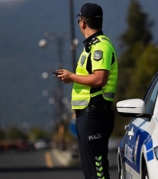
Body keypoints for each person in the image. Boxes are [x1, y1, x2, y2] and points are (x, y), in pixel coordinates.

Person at [55, 3, 118, 179]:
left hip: (95, 114)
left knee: (97, 171)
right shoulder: (92, 46)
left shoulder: (100, 47)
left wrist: (71, 77)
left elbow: (99, 79)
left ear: (82, 22)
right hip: (89, 115)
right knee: (91, 171)